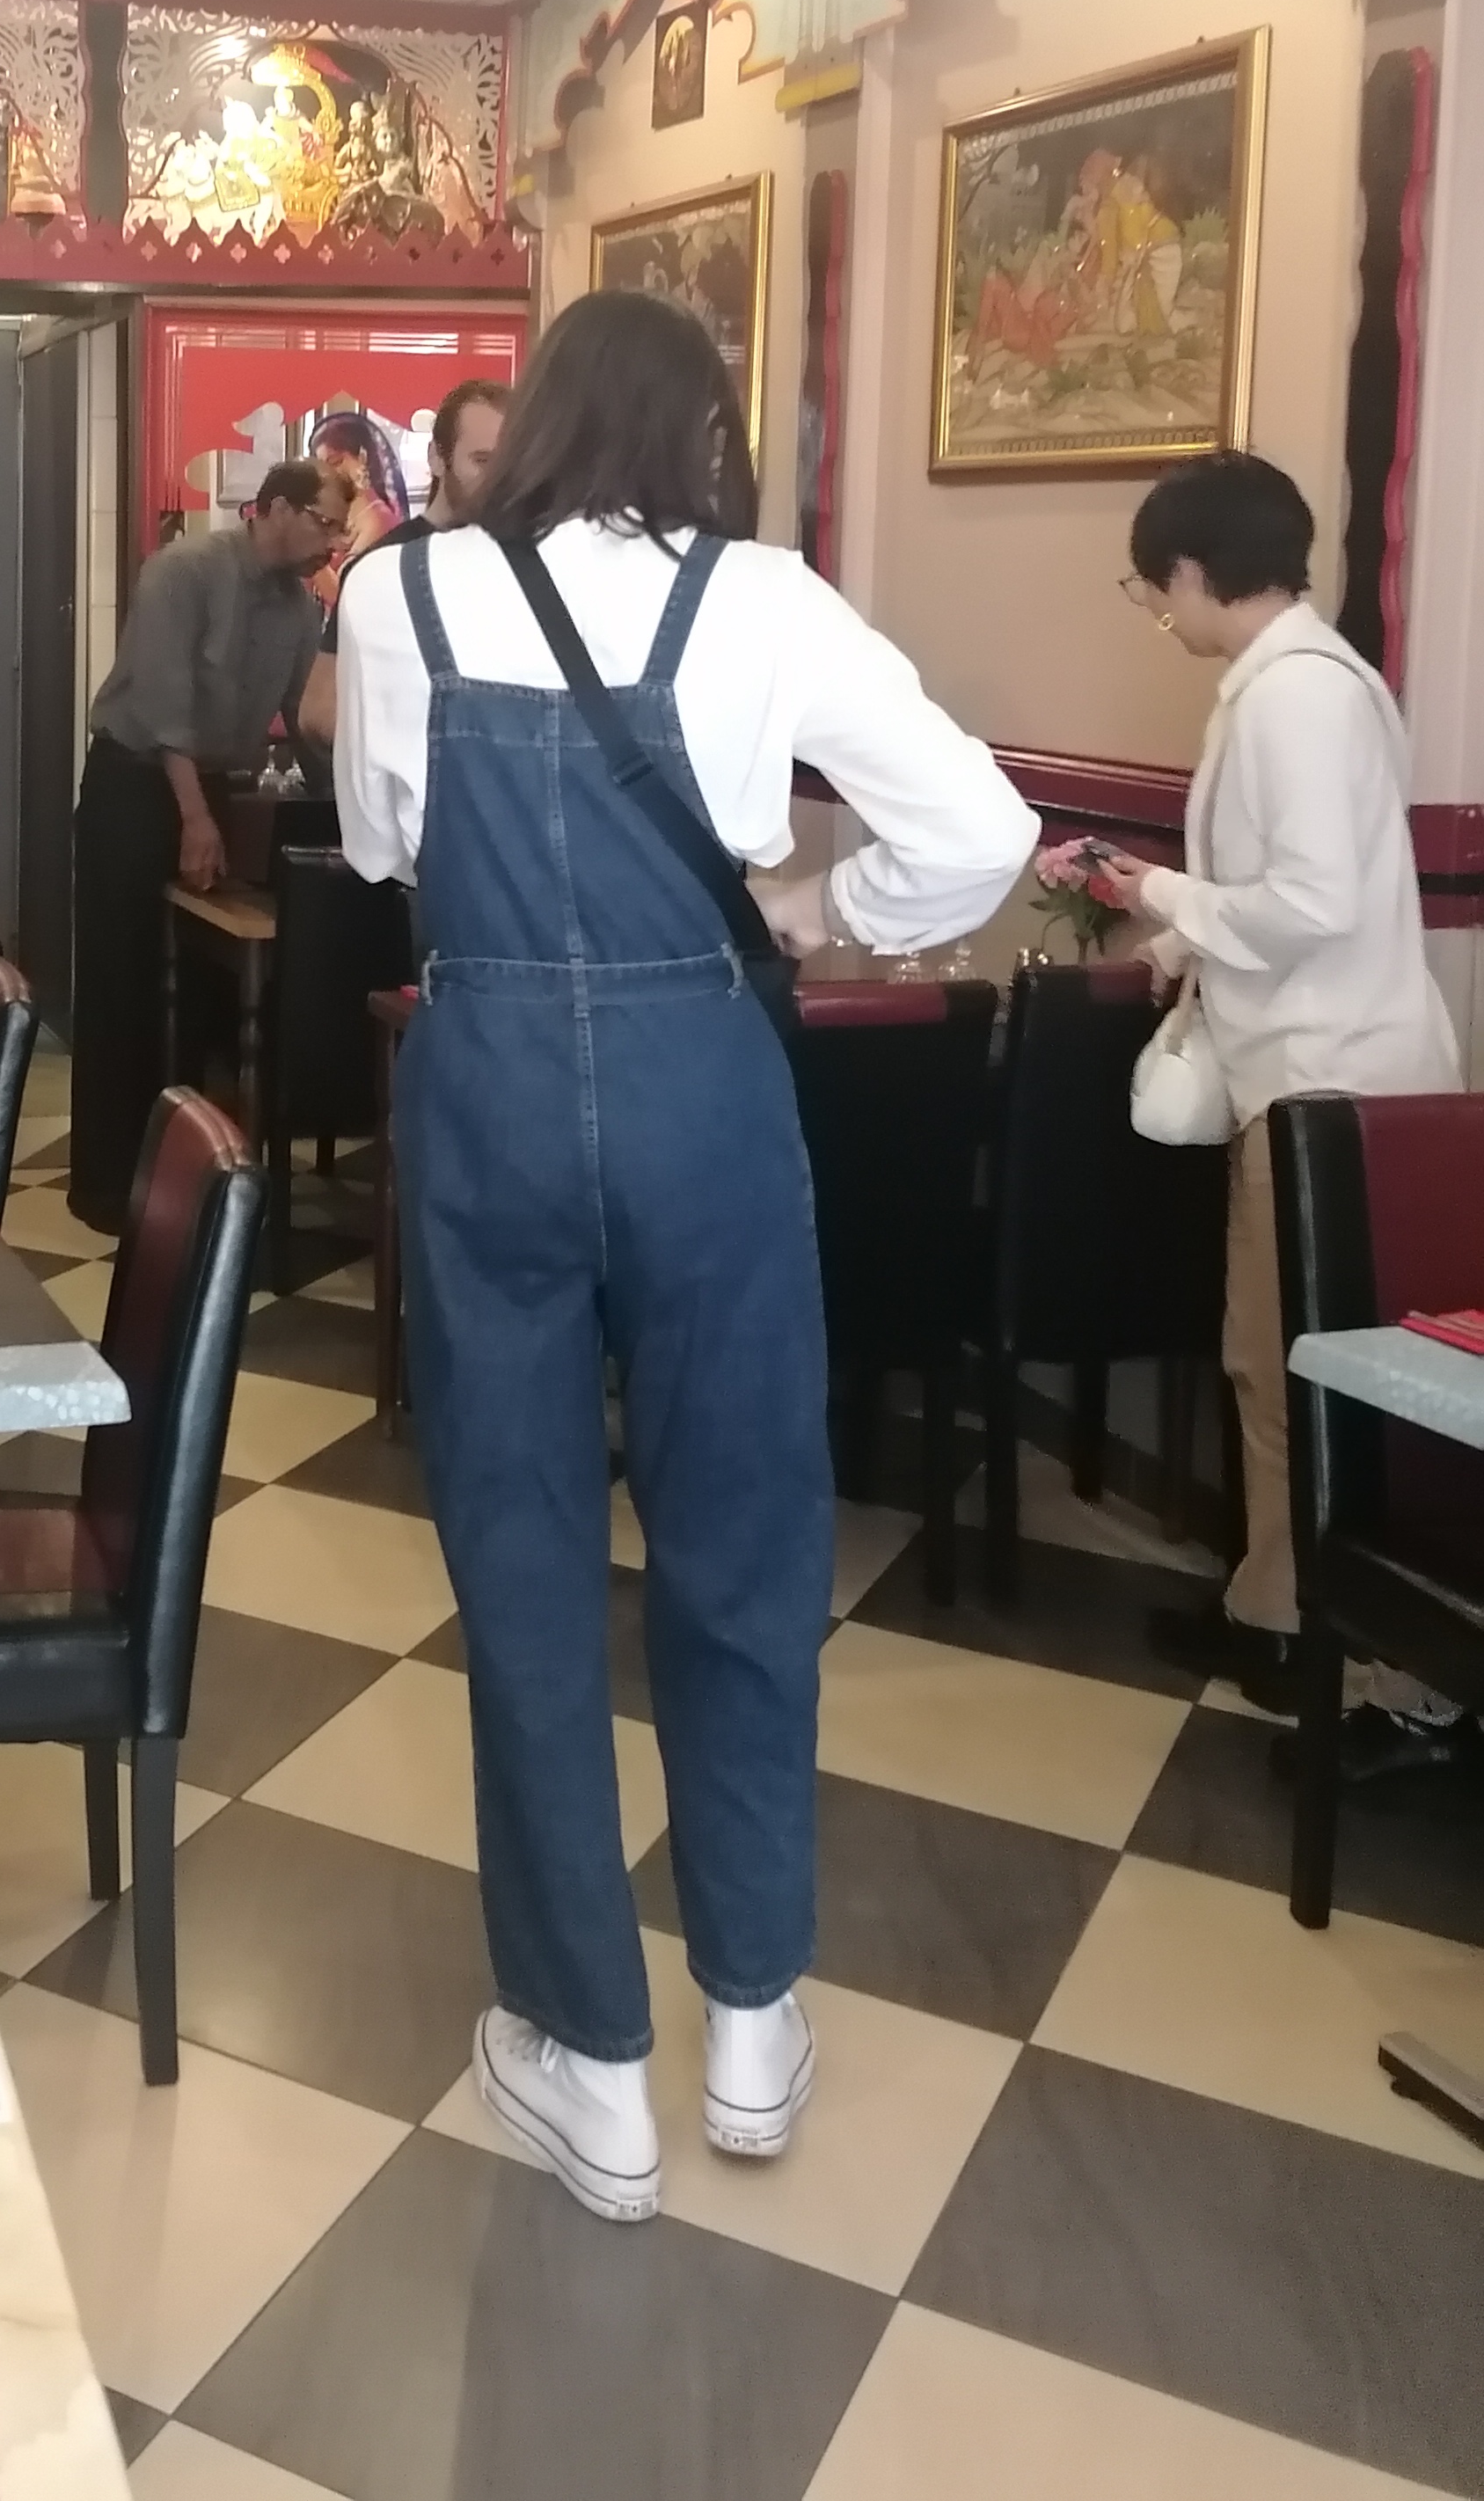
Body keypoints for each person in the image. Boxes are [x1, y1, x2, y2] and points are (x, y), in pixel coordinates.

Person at [334, 292, 1034, 2220]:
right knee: (743, 1540)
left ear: (544, 413)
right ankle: (746, 2019)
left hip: (486, 1066)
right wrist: (818, 904)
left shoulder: (400, 593)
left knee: (523, 1551)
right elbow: (982, 830)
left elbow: (382, 840)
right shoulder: (768, 597)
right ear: (704, 433)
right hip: (701, 1084)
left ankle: (591, 2062)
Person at [1093, 453, 1461, 1744]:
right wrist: (1182, 940)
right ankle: (1273, 1605)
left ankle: (1338, 1653)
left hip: (1327, 1089)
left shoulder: (1295, 696)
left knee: (1294, 1369)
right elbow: (1296, 884)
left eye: (1153, 587)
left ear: (1195, 570)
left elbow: (1312, 901)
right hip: (1319, 1072)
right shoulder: (1301, 679)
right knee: (1268, 1361)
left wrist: (1154, 893)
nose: (1158, 611)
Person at [68, 460, 350, 1231]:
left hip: (212, 791)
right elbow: (165, 711)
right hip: (136, 787)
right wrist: (194, 819)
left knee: (199, 989)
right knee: (124, 984)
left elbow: (304, 717)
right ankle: (105, 1187)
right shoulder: (184, 571)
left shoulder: (299, 607)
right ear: (278, 508)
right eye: (325, 523)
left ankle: (186, 1181)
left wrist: (348, 797)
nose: (334, 542)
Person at [297, 377, 509, 750]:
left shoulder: (528, 561)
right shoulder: (384, 566)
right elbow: (319, 712)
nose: (497, 480)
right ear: (437, 458)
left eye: (508, 465)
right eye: (482, 461)